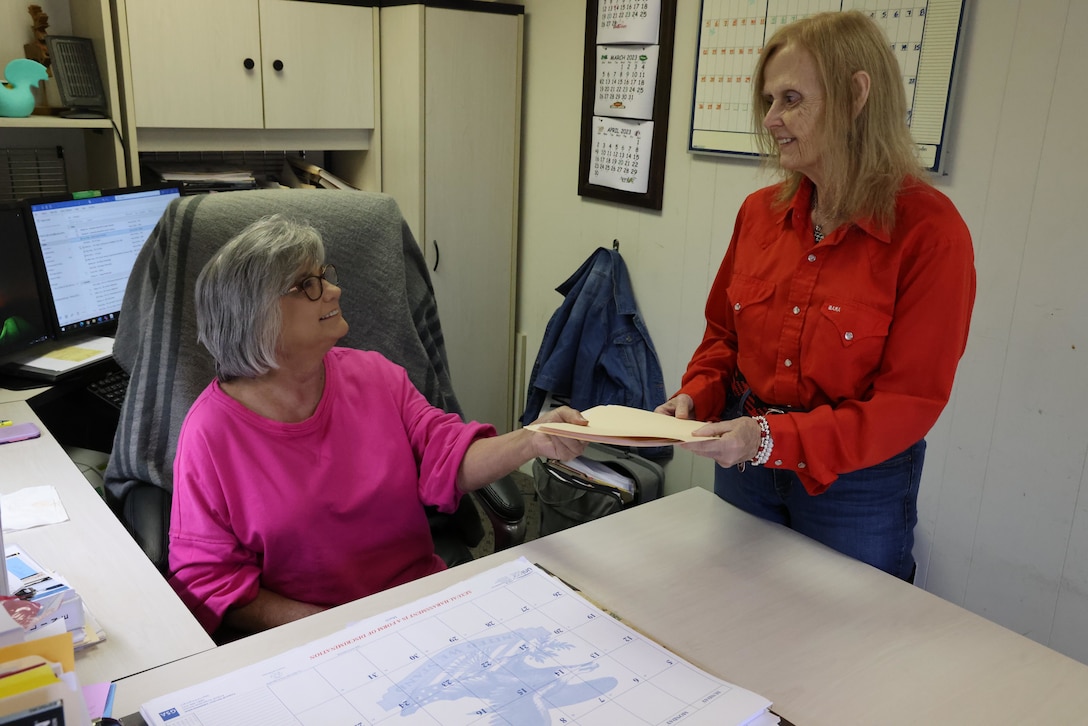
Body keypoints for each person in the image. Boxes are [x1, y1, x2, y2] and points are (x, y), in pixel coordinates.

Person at [656, 11, 975, 581]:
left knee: (846, 645)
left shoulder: (930, 232)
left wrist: (774, 439)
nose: (772, 119)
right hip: (744, 457)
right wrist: (696, 396)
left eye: (792, 99)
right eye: (769, 99)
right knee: (732, 608)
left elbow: (910, 402)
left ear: (856, 96)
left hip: (853, 484)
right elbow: (724, 335)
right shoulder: (760, 215)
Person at [168, 214, 587, 635]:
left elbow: (449, 454)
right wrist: (333, 629)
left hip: (421, 606)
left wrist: (533, 440)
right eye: (308, 284)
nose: (334, 289)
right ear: (254, 314)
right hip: (313, 635)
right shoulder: (210, 433)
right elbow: (209, 580)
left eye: (325, 276)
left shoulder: (376, 377)